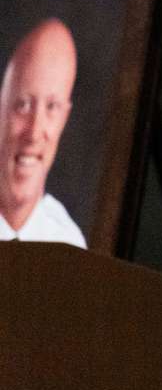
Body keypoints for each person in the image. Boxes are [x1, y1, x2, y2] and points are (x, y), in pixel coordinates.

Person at [0, 17, 86, 247]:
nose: (34, 132)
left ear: (64, 119)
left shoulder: (70, 246)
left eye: (52, 107)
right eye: (23, 105)